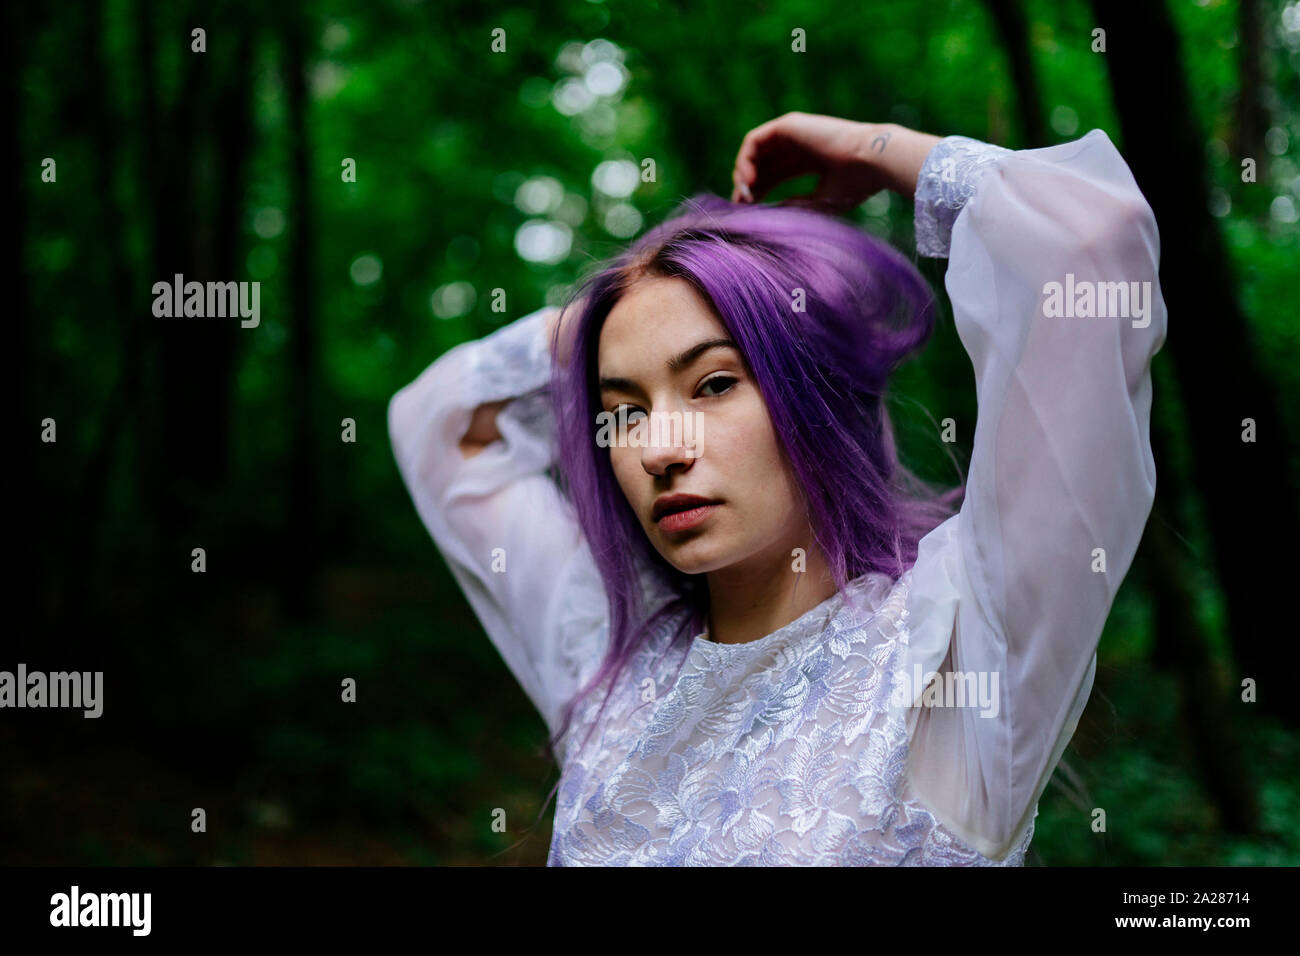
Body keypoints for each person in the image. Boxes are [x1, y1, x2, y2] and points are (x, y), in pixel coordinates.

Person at [388, 112, 1166, 865]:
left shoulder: (953, 653)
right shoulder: (607, 655)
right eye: (623, 412)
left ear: (815, 396)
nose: (660, 447)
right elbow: (437, 423)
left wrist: (880, 151)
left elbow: (1091, 241)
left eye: (715, 382)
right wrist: (621, 303)